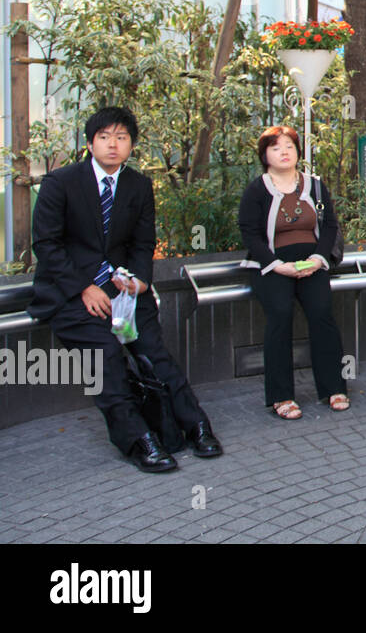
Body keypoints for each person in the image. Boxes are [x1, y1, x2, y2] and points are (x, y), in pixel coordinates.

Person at [28, 106, 223, 473]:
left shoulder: (137, 185)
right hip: (72, 294)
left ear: (131, 144)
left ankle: (196, 426)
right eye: (104, 137)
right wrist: (85, 287)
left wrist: (139, 280)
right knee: (106, 356)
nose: (113, 145)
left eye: (121, 137)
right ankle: (139, 440)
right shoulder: (60, 183)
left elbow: (142, 241)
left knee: (154, 354)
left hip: (125, 292)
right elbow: (46, 245)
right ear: (90, 143)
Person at [238, 126, 348, 419]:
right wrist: (275, 264)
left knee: (322, 313)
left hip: (311, 261)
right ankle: (281, 395)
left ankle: (333, 387)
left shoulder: (314, 185)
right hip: (272, 264)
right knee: (279, 314)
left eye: (289, 146)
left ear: (298, 151)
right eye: (275, 147)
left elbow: (329, 226)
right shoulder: (257, 190)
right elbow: (249, 233)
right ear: (265, 155)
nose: (284, 152)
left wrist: (317, 258)